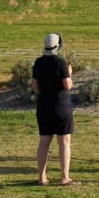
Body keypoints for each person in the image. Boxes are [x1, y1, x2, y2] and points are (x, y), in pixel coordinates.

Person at [33, 32, 75, 186]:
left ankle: (42, 177)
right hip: (61, 106)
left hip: (43, 106)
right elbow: (67, 86)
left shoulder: (38, 62)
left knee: (44, 142)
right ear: (58, 46)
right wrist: (69, 73)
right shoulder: (60, 63)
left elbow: (35, 87)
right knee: (64, 142)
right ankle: (65, 177)